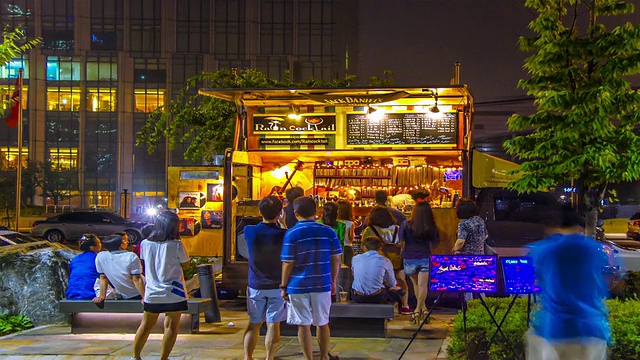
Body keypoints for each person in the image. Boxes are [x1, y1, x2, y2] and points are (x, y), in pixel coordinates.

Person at [525, 207, 609, 360]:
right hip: (591, 330)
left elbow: (539, 280)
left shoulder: (542, 249)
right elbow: (605, 284)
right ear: (580, 228)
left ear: (552, 227)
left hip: (552, 330)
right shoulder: (594, 249)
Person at [280, 196, 342, 360]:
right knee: (322, 322)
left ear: (295, 213)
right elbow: (336, 258)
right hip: (322, 283)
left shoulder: (291, 233)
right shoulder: (328, 231)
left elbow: (287, 263)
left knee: (303, 325)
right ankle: (323, 356)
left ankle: (309, 358)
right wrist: (333, 281)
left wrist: (283, 286)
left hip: (297, 285)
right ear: (316, 212)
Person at [133, 210, 190, 360]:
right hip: (174, 293)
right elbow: (186, 265)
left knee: (145, 326)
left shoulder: (145, 244)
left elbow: (146, 262)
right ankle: (163, 358)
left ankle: (135, 356)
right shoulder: (176, 244)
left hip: (152, 293)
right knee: (171, 327)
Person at [242, 196, 287, 360]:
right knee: (273, 324)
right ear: (280, 213)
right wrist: (283, 223)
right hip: (277, 285)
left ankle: (248, 357)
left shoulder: (249, 230)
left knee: (254, 323)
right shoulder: (284, 234)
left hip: (256, 284)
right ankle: (269, 357)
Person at [361, 206, 411, 315]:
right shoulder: (397, 228)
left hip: (378, 261)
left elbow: (364, 245)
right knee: (401, 281)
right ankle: (405, 305)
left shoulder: (370, 230)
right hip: (396, 259)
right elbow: (403, 244)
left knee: (381, 281)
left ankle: (383, 303)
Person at [400, 202, 440, 324]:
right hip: (425, 256)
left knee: (415, 285)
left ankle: (418, 310)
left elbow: (400, 241)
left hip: (409, 257)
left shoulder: (406, 224)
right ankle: (422, 309)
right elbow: (435, 243)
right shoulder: (431, 226)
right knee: (423, 285)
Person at [351, 236, 403, 305]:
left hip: (358, 297)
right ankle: (398, 308)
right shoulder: (385, 260)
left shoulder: (355, 259)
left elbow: (354, 274)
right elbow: (392, 283)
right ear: (380, 248)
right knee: (396, 290)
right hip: (377, 297)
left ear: (364, 247)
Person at [93, 234, 145, 302]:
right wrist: (144, 297)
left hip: (123, 294)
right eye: (123, 241)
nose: (127, 242)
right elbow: (136, 279)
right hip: (138, 292)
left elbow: (103, 277)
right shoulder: (131, 256)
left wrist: (102, 296)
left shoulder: (100, 256)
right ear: (120, 245)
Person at [66, 234, 101, 300]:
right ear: (92, 247)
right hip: (90, 294)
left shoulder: (75, 259)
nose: (100, 245)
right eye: (99, 243)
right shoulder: (97, 258)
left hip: (72, 295)